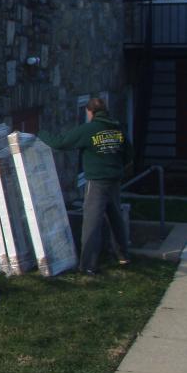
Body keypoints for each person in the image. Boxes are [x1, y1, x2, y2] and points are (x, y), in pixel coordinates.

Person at [39, 97, 132, 275]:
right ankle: (123, 256)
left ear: (90, 112)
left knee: (92, 223)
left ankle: (88, 265)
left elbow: (61, 142)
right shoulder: (117, 128)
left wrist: (41, 134)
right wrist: (116, 166)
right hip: (114, 181)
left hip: (97, 182)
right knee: (116, 218)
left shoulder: (89, 129)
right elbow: (129, 154)